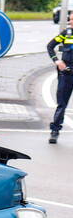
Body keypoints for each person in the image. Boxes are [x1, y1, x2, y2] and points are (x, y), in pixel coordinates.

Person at [47, 13, 73, 143]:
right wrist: (56, 61)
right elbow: (50, 46)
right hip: (67, 74)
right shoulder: (66, 34)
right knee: (61, 104)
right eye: (71, 19)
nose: (71, 22)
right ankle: (55, 131)